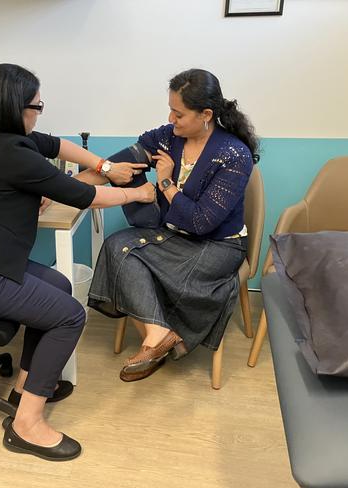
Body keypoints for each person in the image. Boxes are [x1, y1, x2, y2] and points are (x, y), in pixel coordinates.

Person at [0, 63, 155, 461]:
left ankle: (25, 387)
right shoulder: (12, 153)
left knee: (59, 286)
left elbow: (58, 145)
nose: (39, 112)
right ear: (15, 108)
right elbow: (84, 196)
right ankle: (25, 425)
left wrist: (105, 167)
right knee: (68, 315)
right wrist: (137, 194)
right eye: (37, 106)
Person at [88, 68, 259, 382]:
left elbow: (201, 222)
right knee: (116, 245)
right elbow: (118, 164)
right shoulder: (168, 138)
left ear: (205, 114)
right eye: (170, 109)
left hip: (218, 246)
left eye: (178, 113)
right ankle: (159, 336)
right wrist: (62, 187)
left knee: (132, 255)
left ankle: (161, 340)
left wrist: (165, 182)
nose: (170, 118)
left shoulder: (234, 155)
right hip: (173, 235)